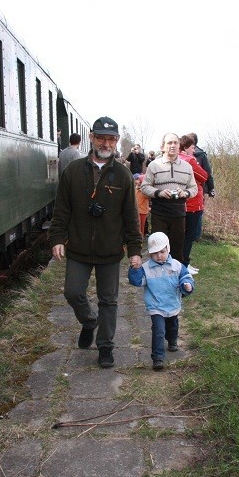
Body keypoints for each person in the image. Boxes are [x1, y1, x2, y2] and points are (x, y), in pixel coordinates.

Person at [49, 116, 143, 368]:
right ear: (91, 138)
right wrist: (58, 238)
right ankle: (90, 320)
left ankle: (105, 346)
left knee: (109, 300)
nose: (106, 143)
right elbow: (61, 210)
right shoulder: (73, 172)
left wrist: (134, 249)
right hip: (78, 247)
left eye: (111, 139)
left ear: (116, 142)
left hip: (110, 249)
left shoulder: (122, 175)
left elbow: (131, 217)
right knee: (72, 292)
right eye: (101, 137)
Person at [128, 232, 194, 370]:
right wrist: (135, 269)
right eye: (155, 253)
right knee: (158, 331)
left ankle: (172, 340)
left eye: (162, 252)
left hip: (172, 303)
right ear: (150, 254)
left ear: (168, 249)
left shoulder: (176, 265)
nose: (159, 256)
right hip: (156, 305)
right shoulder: (146, 268)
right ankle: (158, 358)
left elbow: (186, 277)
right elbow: (137, 282)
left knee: (172, 326)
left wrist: (187, 285)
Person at [140, 133, 197, 264]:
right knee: (157, 248)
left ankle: (176, 280)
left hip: (179, 213)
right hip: (159, 213)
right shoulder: (154, 165)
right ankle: (156, 279)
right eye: (169, 143)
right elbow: (145, 187)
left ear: (179, 146)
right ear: (163, 147)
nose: (172, 146)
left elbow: (194, 188)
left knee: (177, 250)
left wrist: (185, 193)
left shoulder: (187, 167)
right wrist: (158, 192)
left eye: (175, 143)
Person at [178, 135, 208, 274]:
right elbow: (204, 176)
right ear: (185, 147)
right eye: (192, 147)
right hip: (192, 203)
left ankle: (183, 262)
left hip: (181, 203)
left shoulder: (176, 159)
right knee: (189, 236)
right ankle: (183, 264)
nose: (194, 149)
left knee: (181, 235)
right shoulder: (189, 160)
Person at [187, 133, 215, 198]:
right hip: (200, 187)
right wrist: (211, 189)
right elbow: (208, 173)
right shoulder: (202, 154)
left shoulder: (180, 154)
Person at [134, 173, 150, 238]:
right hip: (137, 210)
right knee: (137, 226)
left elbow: (147, 196)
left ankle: (140, 238)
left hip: (142, 211)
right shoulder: (136, 189)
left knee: (141, 226)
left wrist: (141, 190)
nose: (136, 181)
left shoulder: (143, 191)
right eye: (137, 179)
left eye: (138, 180)